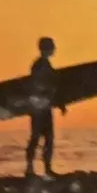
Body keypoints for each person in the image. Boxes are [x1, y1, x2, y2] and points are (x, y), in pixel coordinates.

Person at [25, 37, 67, 177]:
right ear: (47, 49)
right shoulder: (40, 65)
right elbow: (43, 86)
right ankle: (32, 168)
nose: (54, 49)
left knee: (45, 138)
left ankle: (43, 168)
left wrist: (59, 103)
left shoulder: (42, 64)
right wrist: (58, 102)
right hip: (40, 107)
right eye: (52, 46)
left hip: (41, 106)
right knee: (38, 138)